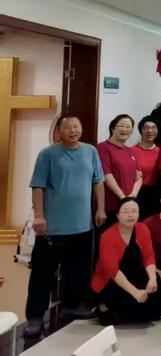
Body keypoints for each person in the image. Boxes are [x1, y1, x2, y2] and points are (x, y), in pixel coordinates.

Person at [24, 116, 105, 336]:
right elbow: (38, 186)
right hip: (53, 227)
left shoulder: (90, 151)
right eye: (68, 127)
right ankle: (35, 316)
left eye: (76, 126)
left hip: (82, 225)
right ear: (59, 131)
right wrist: (39, 217)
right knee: (43, 274)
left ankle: (72, 305)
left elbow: (98, 182)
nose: (73, 130)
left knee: (77, 270)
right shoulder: (48, 154)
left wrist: (100, 209)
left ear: (82, 129)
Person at [92, 198, 161, 324]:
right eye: (125, 211)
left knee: (157, 299)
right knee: (136, 310)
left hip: (134, 273)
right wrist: (135, 292)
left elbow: (149, 256)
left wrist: (152, 278)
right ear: (117, 215)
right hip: (112, 280)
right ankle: (103, 306)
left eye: (134, 211)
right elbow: (112, 271)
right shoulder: (107, 236)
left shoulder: (142, 228)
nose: (130, 215)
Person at [97, 114, 142, 224]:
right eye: (121, 126)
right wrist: (122, 196)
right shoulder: (103, 147)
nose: (125, 129)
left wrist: (132, 196)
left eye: (128, 127)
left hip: (129, 205)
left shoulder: (130, 151)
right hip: (110, 205)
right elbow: (107, 175)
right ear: (113, 128)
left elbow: (139, 177)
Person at [133, 116, 161, 219]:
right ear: (141, 130)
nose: (150, 131)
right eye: (146, 127)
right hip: (136, 192)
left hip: (156, 194)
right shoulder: (131, 151)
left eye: (153, 127)